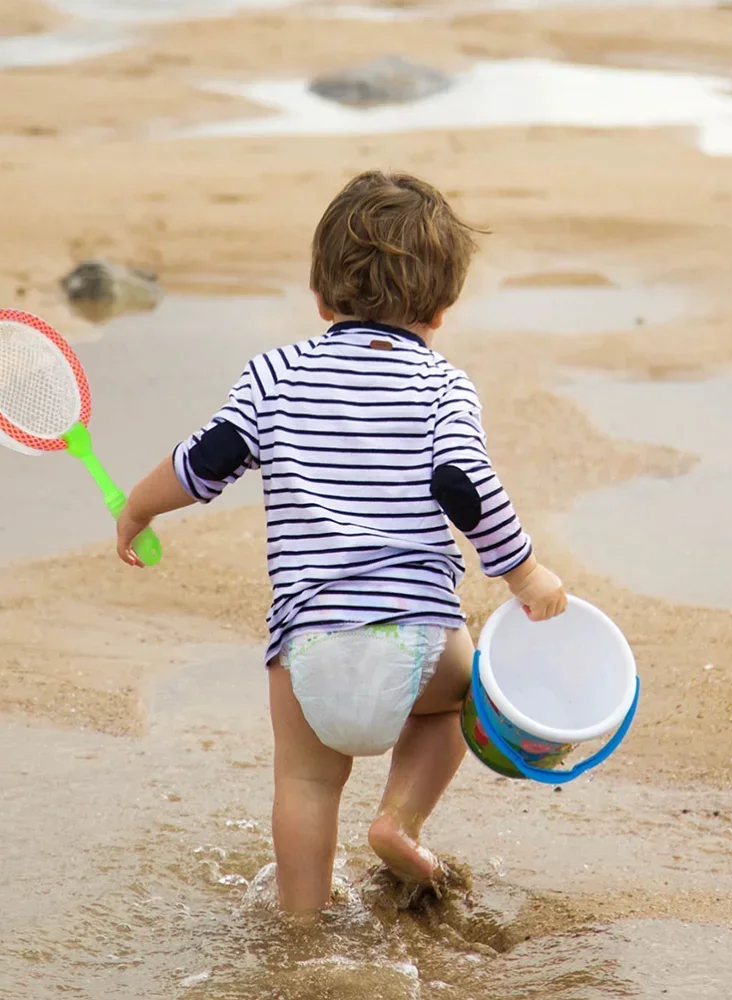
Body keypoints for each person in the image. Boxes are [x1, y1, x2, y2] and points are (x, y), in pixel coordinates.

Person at [115, 170, 567, 915]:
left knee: (303, 783)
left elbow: (210, 457)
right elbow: (464, 482)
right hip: (418, 635)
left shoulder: (275, 374)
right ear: (443, 307)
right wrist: (524, 573)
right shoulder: (443, 385)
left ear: (321, 296)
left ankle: (299, 930)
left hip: (310, 643)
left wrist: (139, 507)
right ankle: (398, 821)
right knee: (461, 702)